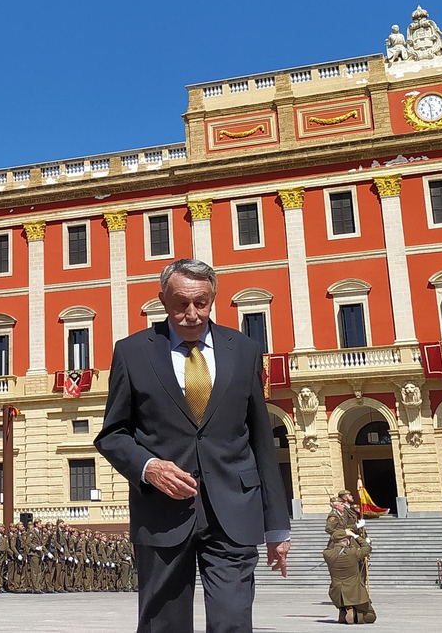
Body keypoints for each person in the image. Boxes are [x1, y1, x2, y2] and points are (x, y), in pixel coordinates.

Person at [96, 258, 292, 633]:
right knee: (163, 625)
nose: (191, 313)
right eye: (180, 303)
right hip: (162, 513)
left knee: (233, 622)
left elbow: (260, 439)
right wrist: (148, 467)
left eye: (201, 302)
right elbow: (113, 434)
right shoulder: (132, 352)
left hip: (234, 510)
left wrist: (277, 527)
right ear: (162, 299)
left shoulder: (245, 350)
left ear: (213, 298)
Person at [324, 527, 375, 624]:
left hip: (337, 591)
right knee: (370, 616)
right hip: (355, 591)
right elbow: (367, 547)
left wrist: (335, 536)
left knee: (344, 600)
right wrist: (354, 535)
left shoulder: (327, 554)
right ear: (347, 540)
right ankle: (354, 613)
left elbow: (329, 547)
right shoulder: (352, 552)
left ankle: (343, 608)